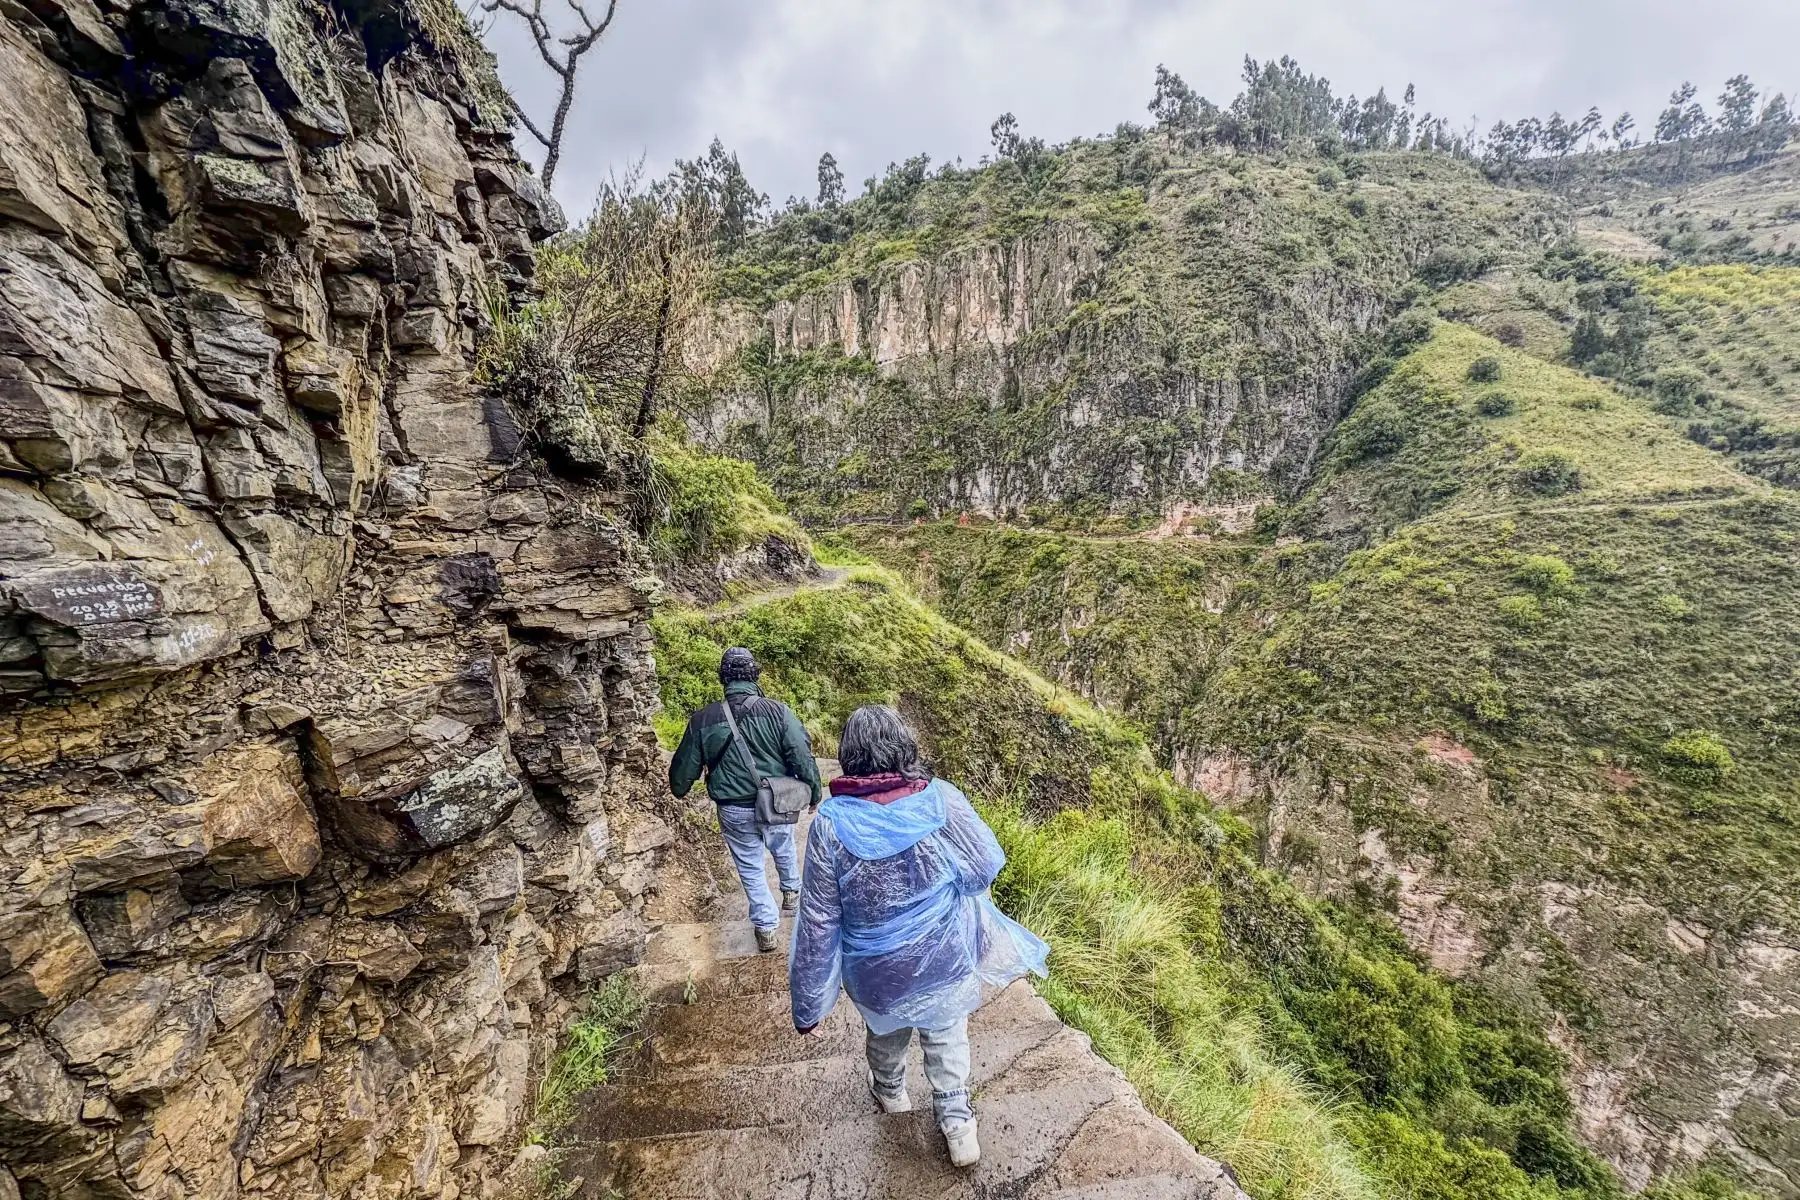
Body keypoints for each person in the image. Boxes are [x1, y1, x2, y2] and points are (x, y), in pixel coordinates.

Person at [788, 705, 1049, 1169]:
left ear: (849, 756)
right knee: (946, 1031)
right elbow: (984, 865)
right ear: (903, 746)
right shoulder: (939, 800)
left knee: (885, 1031)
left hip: (876, 972)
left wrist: (809, 1005)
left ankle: (891, 1095)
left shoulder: (829, 824)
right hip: (943, 956)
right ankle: (957, 1123)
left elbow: (818, 922)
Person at [669, 647, 822, 952]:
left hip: (733, 809)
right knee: (784, 844)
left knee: (750, 866)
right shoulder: (779, 712)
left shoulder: (703, 720)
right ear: (755, 676)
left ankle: (766, 928)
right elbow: (801, 755)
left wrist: (681, 785)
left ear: (723, 679)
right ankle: (792, 892)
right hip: (777, 802)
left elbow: (681, 778)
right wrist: (814, 792)